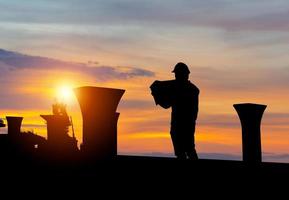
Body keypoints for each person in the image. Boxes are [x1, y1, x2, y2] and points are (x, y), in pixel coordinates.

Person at [170, 62, 199, 160]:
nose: (176, 77)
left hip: (186, 125)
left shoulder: (192, 90)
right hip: (179, 126)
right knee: (183, 151)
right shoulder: (178, 89)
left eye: (177, 74)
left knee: (189, 149)